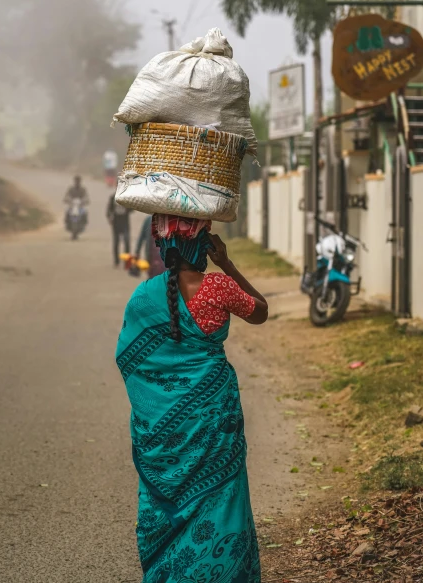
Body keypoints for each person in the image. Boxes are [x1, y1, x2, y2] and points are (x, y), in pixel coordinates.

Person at [116, 215, 268, 583]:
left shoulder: (143, 296)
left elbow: (129, 361)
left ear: (165, 248)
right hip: (215, 417)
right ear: (202, 247)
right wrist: (227, 263)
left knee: (168, 500)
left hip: (163, 433)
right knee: (222, 493)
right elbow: (261, 311)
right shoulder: (217, 287)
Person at [106, 192, 131, 267]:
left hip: (125, 222)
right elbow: (108, 210)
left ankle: (127, 261)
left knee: (126, 241)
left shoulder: (127, 197)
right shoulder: (112, 197)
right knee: (116, 242)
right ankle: (116, 261)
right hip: (116, 223)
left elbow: (132, 209)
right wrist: (109, 217)